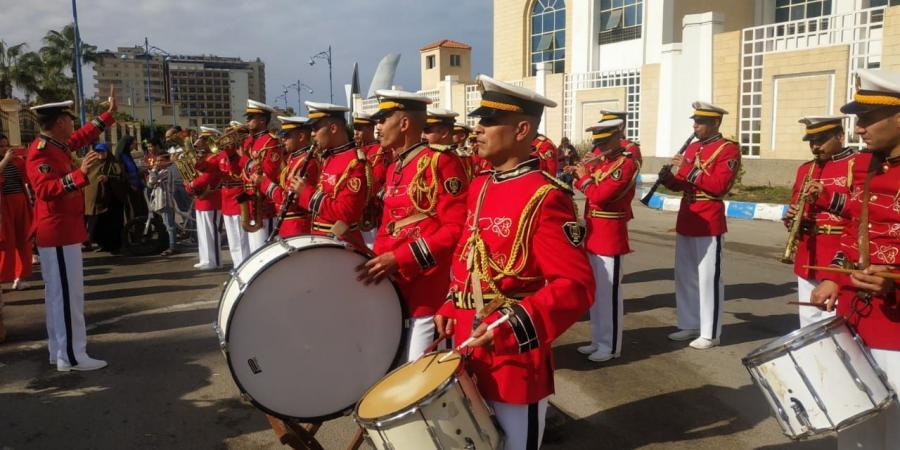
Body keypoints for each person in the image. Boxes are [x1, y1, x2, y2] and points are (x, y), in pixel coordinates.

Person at [434, 75, 594, 450]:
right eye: (479, 120)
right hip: (465, 340)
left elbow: (576, 286)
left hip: (511, 354)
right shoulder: (480, 185)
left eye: (489, 122)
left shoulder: (546, 196)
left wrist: (512, 326)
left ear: (522, 129)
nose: (477, 129)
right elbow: (468, 254)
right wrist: (448, 301)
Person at [810, 69, 900, 450]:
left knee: (894, 420)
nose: (859, 128)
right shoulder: (869, 165)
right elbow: (854, 227)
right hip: (856, 310)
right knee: (853, 416)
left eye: (866, 119)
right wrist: (836, 275)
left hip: (895, 321)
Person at [357, 92, 468, 362]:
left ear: (404, 123)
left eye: (383, 119)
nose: (378, 127)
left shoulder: (441, 161)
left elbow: (455, 229)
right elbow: (390, 224)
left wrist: (400, 258)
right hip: (395, 287)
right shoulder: (396, 165)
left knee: (417, 373)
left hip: (426, 291)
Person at [25, 92, 117, 371]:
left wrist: (107, 116)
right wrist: (80, 175)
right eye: (68, 119)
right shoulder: (41, 151)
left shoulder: (56, 145)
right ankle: (72, 356)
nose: (72, 124)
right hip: (57, 233)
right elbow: (45, 190)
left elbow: (80, 138)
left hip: (61, 232)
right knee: (67, 298)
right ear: (58, 121)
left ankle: (61, 352)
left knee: (59, 296)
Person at [658, 101, 741, 349]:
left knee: (709, 278)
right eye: (695, 121)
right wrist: (670, 180)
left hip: (709, 217)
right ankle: (689, 323)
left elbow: (718, 186)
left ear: (715, 123)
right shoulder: (694, 147)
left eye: (700, 122)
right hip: (688, 216)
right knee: (685, 276)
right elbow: (685, 183)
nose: (695, 126)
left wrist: (687, 168)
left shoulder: (728, 149)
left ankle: (710, 332)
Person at [572, 118, 639, 362]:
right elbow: (586, 186)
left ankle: (610, 346)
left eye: (604, 142)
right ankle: (597, 339)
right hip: (593, 232)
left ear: (617, 138)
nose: (599, 148)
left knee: (609, 295)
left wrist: (583, 178)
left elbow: (601, 195)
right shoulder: (603, 163)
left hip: (610, 234)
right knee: (596, 294)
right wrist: (580, 174)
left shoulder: (625, 164)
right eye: (597, 142)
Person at [784, 115, 853, 328]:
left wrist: (826, 196)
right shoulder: (806, 169)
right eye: (812, 142)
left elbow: (863, 211)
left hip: (838, 251)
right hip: (808, 251)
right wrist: (791, 218)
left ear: (840, 136)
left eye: (821, 140)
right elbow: (797, 203)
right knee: (808, 320)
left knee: (834, 322)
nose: (815, 147)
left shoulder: (856, 164)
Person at [290, 101, 369, 251]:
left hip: (340, 245)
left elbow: (347, 213)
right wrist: (300, 196)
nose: (312, 134)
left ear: (333, 128)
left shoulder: (354, 162)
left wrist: (306, 193)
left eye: (315, 128)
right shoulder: (329, 157)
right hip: (321, 240)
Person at [257, 116, 318, 238]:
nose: (283, 139)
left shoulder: (307, 162)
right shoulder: (293, 159)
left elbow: (289, 201)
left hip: (297, 225)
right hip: (287, 224)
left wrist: (265, 183)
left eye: (287, 136)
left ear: (301, 137)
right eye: (282, 136)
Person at [241, 100, 283, 252]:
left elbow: (268, 173)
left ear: (262, 120)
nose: (247, 121)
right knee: (254, 249)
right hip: (251, 199)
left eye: (251, 117)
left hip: (265, 202)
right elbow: (241, 165)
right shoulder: (250, 141)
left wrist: (247, 163)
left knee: (265, 250)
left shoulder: (270, 142)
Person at [185, 127, 224, 270]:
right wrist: (189, 185)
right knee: (202, 231)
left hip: (211, 198)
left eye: (204, 139)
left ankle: (215, 261)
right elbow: (193, 173)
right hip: (201, 198)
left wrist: (193, 184)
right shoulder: (204, 157)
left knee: (211, 230)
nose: (199, 142)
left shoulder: (214, 157)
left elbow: (208, 177)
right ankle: (205, 258)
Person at [0, 133, 33, 290]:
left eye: (6, 145)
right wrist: (5, 160)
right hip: (3, 205)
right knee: (6, 242)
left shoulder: (16, 162)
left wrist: (24, 159)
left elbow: (29, 178)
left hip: (20, 202)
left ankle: (21, 276)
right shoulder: (6, 161)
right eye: (1, 145)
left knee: (23, 240)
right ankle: (5, 276)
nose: (5, 148)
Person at [218, 122, 251, 267]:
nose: (226, 137)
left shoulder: (240, 151)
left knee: (241, 238)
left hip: (238, 195)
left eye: (230, 134)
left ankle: (243, 265)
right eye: (226, 133)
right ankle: (237, 265)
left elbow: (237, 169)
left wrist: (232, 152)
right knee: (233, 239)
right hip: (226, 197)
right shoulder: (222, 154)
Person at [353, 111, 387, 245]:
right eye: (355, 128)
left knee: (370, 246)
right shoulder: (353, 151)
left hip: (370, 210)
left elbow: (376, 181)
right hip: (354, 209)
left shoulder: (380, 150)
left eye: (360, 128)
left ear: (369, 128)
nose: (356, 132)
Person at [147, 151, 178, 256]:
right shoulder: (160, 171)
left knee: (169, 226)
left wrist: (154, 169)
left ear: (167, 161)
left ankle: (172, 247)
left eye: (161, 160)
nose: (158, 162)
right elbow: (150, 184)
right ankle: (170, 244)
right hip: (159, 201)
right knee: (167, 224)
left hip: (165, 201)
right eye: (157, 160)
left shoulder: (167, 171)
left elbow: (153, 180)